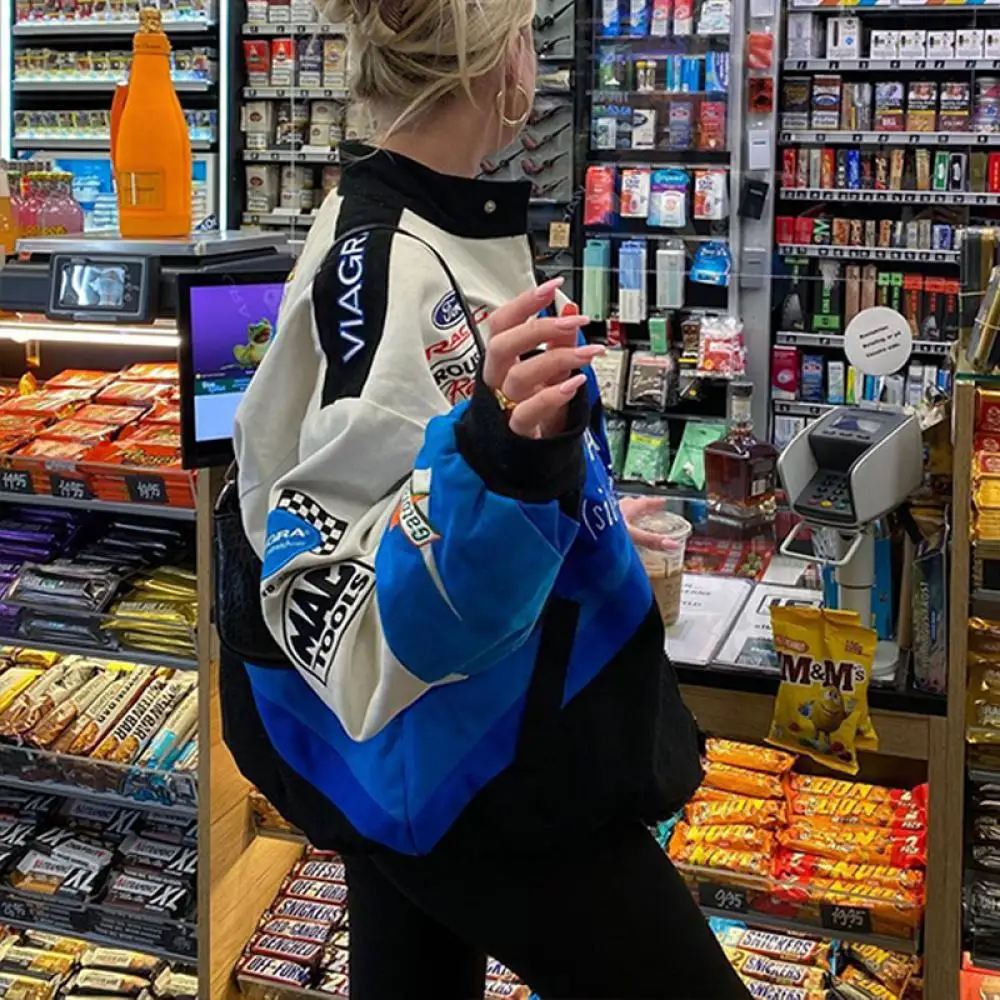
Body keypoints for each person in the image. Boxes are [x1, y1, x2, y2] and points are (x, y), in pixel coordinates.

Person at [223, 0, 751, 996]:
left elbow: (419, 477)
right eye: (526, 35)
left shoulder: (409, 221)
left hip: (425, 755)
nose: (534, 61)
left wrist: (579, 523)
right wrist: (513, 469)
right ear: (497, 60)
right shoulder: (398, 261)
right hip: (476, 754)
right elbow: (357, 572)